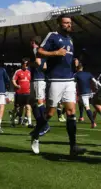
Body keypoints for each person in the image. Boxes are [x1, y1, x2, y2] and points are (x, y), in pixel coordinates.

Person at [30, 15, 86, 156]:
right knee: (50, 113)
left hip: (69, 80)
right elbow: (40, 52)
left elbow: (68, 57)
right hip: (55, 80)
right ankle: (36, 135)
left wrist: (75, 62)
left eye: (69, 23)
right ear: (59, 24)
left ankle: (73, 147)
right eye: (65, 23)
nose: (68, 25)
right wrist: (56, 52)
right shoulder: (53, 36)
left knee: (71, 112)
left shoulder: (70, 39)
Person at [30, 36, 48, 128]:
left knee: (39, 101)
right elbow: (45, 66)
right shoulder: (43, 51)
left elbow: (38, 62)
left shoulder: (35, 50)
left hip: (37, 79)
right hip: (41, 78)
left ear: (33, 42)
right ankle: (40, 122)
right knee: (33, 102)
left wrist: (30, 65)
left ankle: (44, 124)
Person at [74, 64, 99, 128]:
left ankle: (93, 122)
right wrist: (96, 88)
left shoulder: (76, 74)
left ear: (77, 69)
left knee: (87, 107)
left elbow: (74, 84)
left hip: (83, 93)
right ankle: (81, 117)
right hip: (90, 92)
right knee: (80, 102)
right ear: (82, 68)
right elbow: (95, 81)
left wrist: (74, 92)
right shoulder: (88, 74)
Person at [12, 58, 33, 128]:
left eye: (27, 64)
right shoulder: (18, 72)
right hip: (19, 93)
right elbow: (13, 80)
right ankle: (13, 119)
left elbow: (30, 82)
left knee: (28, 107)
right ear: (22, 64)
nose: (26, 65)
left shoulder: (29, 72)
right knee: (18, 108)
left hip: (27, 93)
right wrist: (16, 85)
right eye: (25, 64)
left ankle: (30, 123)